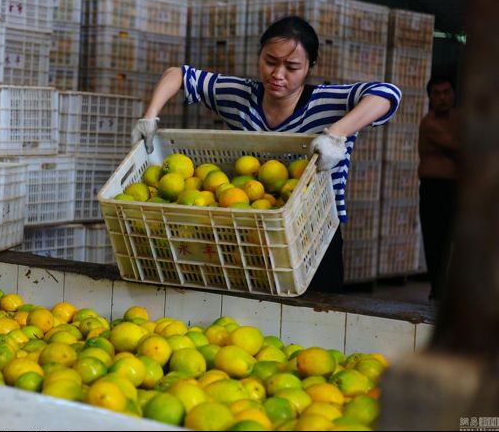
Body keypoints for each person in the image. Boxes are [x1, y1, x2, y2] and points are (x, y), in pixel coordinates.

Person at [131, 16, 402, 293]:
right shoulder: (240, 96)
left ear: (310, 66)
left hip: (316, 234)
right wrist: (150, 116)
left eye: (292, 67)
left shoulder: (328, 101)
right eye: (270, 61)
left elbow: (387, 93)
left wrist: (336, 133)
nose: (278, 74)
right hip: (248, 228)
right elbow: (179, 74)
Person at [418, 77, 460, 301]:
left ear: (454, 94)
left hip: (458, 190)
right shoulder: (429, 123)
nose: (442, 98)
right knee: (435, 242)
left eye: (446, 92)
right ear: (430, 97)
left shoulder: (461, 118)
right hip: (434, 190)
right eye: (437, 93)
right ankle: (437, 290)